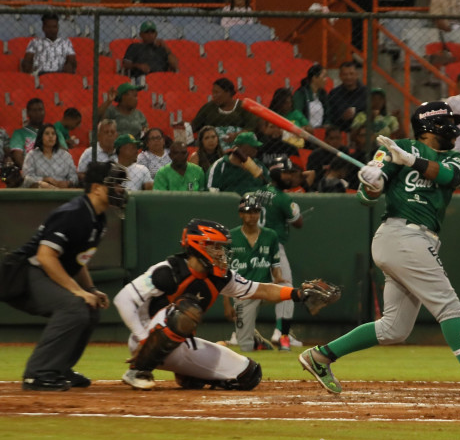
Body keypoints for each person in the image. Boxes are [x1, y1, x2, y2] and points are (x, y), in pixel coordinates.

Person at [299, 101, 460, 400]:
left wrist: (411, 161)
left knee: (394, 328)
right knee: (448, 305)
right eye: (448, 121)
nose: (454, 127)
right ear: (431, 125)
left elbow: (452, 178)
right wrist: (372, 183)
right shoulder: (394, 146)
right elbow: (366, 196)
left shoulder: (455, 158)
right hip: (401, 235)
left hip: (413, 241)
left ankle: (321, 356)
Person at [114, 218, 335, 390]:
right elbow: (123, 299)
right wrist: (142, 338)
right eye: (216, 247)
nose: (221, 253)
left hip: (180, 344)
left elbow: (261, 289)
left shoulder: (220, 277)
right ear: (198, 245)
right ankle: (138, 371)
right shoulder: (168, 271)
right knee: (185, 310)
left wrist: (297, 293)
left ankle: (190, 376)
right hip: (144, 340)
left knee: (249, 375)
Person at [6, 162, 127, 391]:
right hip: (24, 273)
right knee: (74, 306)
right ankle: (38, 374)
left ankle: (59, 367)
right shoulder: (75, 213)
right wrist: (77, 291)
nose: (120, 190)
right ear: (97, 188)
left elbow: (77, 261)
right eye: (115, 184)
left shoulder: (97, 218)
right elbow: (45, 256)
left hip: (44, 272)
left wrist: (90, 290)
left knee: (89, 309)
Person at [254, 155, 305, 348]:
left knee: (251, 288)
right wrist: (295, 211)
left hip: (254, 245)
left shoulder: (256, 192)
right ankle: (281, 333)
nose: (290, 178)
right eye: (286, 174)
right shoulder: (283, 198)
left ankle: (241, 331)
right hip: (274, 247)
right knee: (286, 288)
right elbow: (298, 223)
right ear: (277, 174)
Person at [222, 194, 281, 352]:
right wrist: (226, 303)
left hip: (264, 288)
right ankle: (254, 339)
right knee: (244, 344)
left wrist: (280, 280)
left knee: (289, 294)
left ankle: (283, 334)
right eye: (248, 211)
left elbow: (276, 265)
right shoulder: (230, 237)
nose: (252, 215)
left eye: (255, 211)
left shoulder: (270, 235)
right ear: (241, 214)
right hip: (241, 292)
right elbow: (223, 272)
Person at [191, 77, 258, 145]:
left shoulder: (242, 107)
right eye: (213, 92)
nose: (214, 95)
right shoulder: (209, 107)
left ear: (228, 92)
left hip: (238, 144)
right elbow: (194, 126)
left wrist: (236, 135)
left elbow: (251, 128)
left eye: (217, 92)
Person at [21, 124, 78, 189]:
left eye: (53, 134)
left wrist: (68, 183)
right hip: (40, 190)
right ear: (40, 137)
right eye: (47, 134)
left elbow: (74, 177)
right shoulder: (32, 155)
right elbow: (27, 177)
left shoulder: (66, 156)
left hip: (63, 189)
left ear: (56, 137)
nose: (51, 136)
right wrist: (44, 179)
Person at [328, 61, 368, 132]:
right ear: (340, 76)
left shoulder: (366, 93)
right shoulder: (334, 94)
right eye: (345, 74)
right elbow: (330, 117)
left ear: (357, 75)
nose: (348, 77)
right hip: (340, 133)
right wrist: (342, 118)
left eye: (351, 74)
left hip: (363, 133)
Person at [9, 98, 47, 169]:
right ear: (28, 113)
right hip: (30, 172)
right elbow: (18, 157)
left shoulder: (53, 132)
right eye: (34, 110)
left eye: (40, 109)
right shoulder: (19, 133)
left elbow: (63, 153)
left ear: (44, 111)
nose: (38, 113)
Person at [77, 119, 118, 183]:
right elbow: (80, 174)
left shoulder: (121, 152)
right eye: (106, 132)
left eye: (112, 132)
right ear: (99, 136)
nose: (110, 135)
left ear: (116, 135)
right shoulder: (89, 153)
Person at [306, 126, 345, 190]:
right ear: (326, 140)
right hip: (321, 187)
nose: (335, 141)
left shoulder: (344, 152)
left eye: (338, 138)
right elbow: (313, 178)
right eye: (331, 138)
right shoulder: (316, 155)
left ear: (341, 139)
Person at [293, 64, 330, 129]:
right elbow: (297, 113)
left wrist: (326, 124)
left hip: (320, 130)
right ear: (314, 78)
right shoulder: (301, 93)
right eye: (324, 77)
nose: (326, 79)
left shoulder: (323, 94)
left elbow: (328, 113)